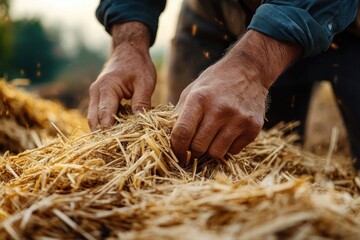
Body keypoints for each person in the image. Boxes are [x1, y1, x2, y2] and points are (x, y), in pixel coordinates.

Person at [90, 0, 360, 168]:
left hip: (349, 22)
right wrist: (129, 42)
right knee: (191, 159)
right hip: (219, 14)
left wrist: (251, 66)